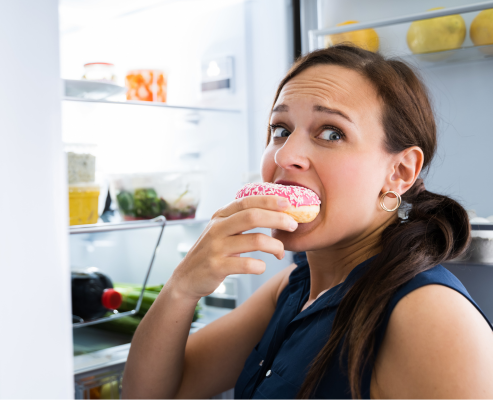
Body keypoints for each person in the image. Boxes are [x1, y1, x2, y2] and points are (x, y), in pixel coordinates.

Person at [121, 45, 493, 399]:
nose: (287, 154)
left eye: (332, 133)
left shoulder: (431, 316)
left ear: (399, 171)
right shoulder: (293, 286)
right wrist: (181, 288)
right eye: (281, 129)